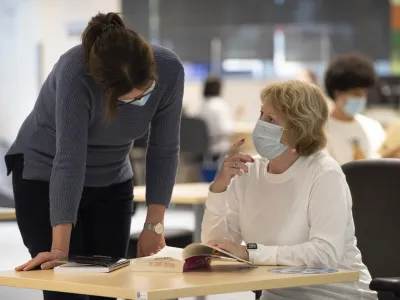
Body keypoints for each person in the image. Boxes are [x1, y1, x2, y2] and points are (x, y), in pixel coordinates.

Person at [4, 12, 183, 300]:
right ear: (106, 88)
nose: (141, 101)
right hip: (46, 174)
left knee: (108, 287)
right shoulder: (75, 71)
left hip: (112, 176)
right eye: (131, 99)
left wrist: (154, 225)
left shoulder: (170, 69)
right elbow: (69, 160)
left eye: (146, 90)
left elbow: (164, 148)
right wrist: (60, 249)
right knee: (67, 288)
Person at [202, 80, 376, 300]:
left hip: (335, 294)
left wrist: (250, 252)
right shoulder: (248, 171)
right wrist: (219, 188)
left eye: (271, 119)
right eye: (261, 114)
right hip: (277, 295)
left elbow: (325, 253)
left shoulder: (324, 172)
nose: (260, 124)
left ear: (298, 128)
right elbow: (218, 248)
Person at [324, 53, 386, 165]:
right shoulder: (322, 131)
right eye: (356, 93)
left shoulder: (373, 127)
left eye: (364, 93)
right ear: (337, 93)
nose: (362, 98)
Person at [198, 75, 234, 161]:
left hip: (202, 150)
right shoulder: (221, 105)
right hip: (218, 149)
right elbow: (227, 129)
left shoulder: (202, 106)